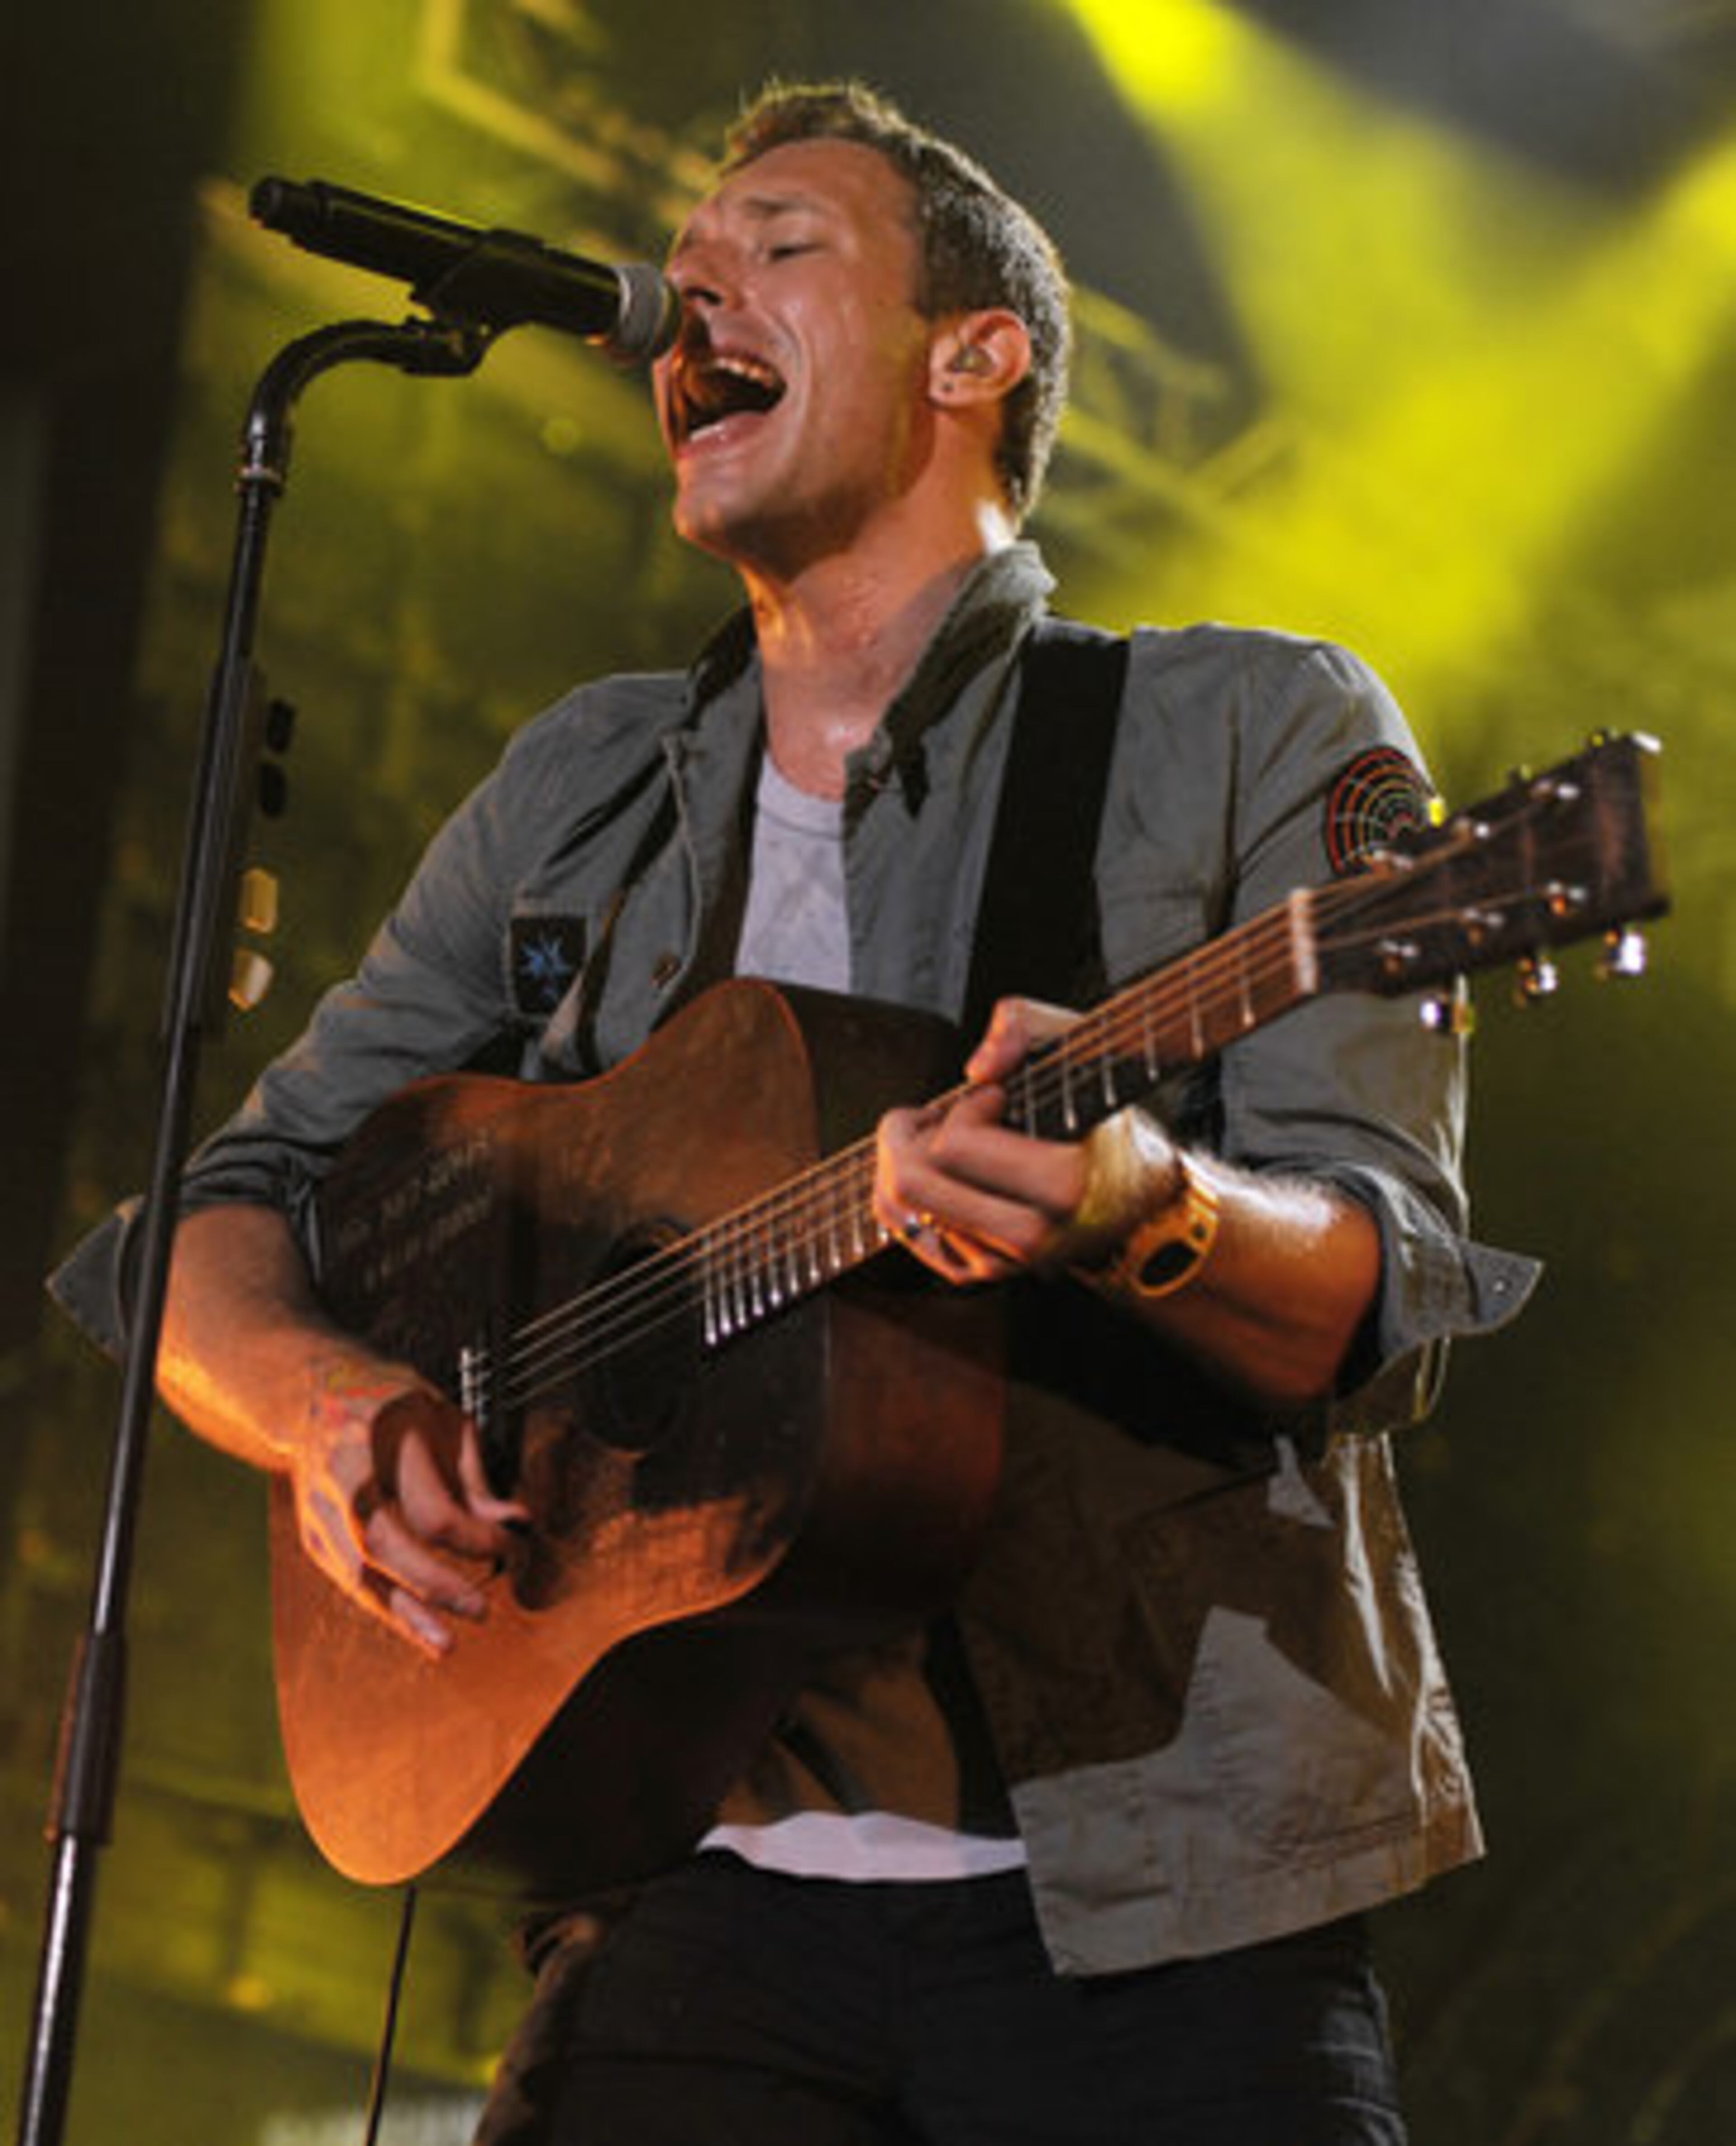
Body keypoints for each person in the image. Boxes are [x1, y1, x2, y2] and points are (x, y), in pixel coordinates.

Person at [55, 79, 1537, 2145]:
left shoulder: (1247, 728)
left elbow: (1378, 1291)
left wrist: (1136, 1200)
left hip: (1165, 1907)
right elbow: (231, 1204)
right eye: (686, 260)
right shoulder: (583, 780)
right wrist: (329, 1411)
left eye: (778, 247)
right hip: (685, 1885)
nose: (691, 300)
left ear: (973, 356)